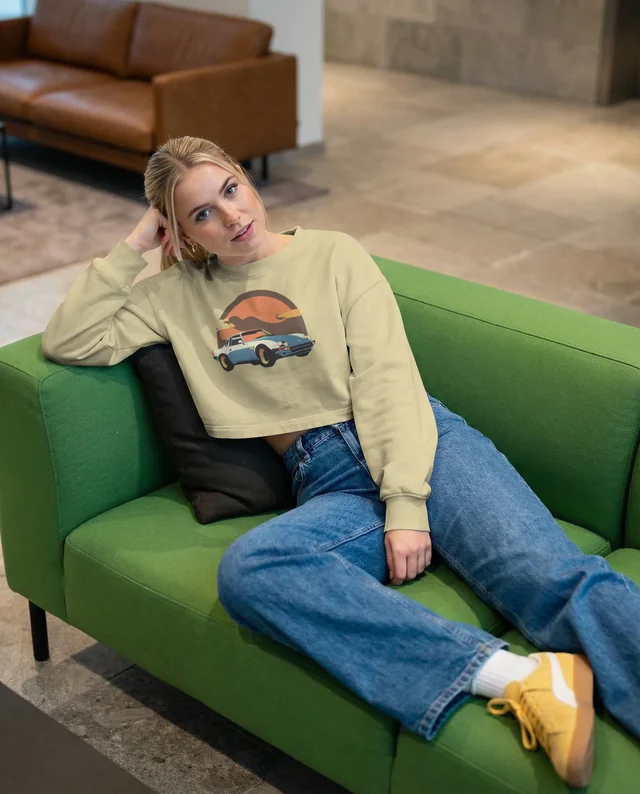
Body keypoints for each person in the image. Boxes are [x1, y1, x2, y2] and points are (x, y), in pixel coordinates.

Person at [41, 136, 640, 788]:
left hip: (421, 442)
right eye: (202, 214)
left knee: (553, 579)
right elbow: (72, 338)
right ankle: (518, 676)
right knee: (252, 573)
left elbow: (388, 378)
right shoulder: (174, 295)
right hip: (324, 479)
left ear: (246, 178)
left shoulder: (332, 253)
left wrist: (407, 502)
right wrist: (135, 244)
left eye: (231, 190)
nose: (232, 216)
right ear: (181, 234)